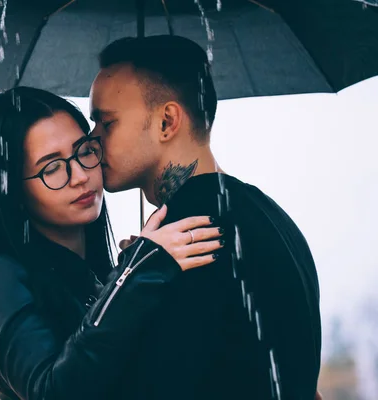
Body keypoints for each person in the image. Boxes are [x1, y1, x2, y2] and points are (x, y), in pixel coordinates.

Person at [89, 35, 322, 399]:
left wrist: (129, 286)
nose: (92, 139)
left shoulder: (186, 244)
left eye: (107, 123)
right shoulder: (273, 218)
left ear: (167, 121)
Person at [0, 86, 225, 399]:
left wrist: (133, 277)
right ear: (12, 191)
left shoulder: (97, 278)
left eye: (84, 151)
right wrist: (133, 280)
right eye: (52, 168)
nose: (80, 176)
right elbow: (53, 393)